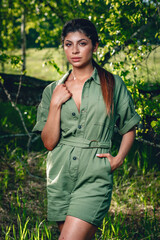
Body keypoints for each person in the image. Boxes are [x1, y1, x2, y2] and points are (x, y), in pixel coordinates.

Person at [32, 18, 141, 240]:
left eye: (82, 43)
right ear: (63, 46)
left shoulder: (112, 83)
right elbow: (49, 143)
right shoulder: (52, 90)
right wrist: (55, 104)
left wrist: (118, 159)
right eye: (68, 44)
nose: (74, 50)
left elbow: (129, 126)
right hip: (60, 174)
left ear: (95, 46)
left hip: (95, 173)